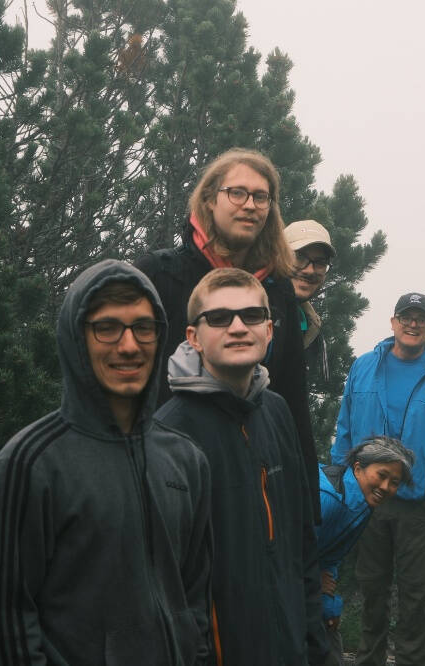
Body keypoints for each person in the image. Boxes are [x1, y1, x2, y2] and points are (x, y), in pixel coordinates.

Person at [0, 260, 212, 665]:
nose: (129, 345)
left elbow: (196, 603)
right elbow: (2, 629)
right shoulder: (30, 464)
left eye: (143, 328)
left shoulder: (186, 460)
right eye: (107, 327)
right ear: (76, 339)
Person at [135, 148, 320, 521]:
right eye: (237, 192)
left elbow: (292, 399)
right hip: (171, 475)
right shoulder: (160, 274)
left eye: (261, 196)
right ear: (209, 199)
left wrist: (306, 511)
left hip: (257, 477)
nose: (250, 205)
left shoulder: (279, 290)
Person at [154, 268, 327, 664]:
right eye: (218, 318)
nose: (237, 327)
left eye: (251, 316)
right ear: (193, 337)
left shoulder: (278, 413)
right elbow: (166, 591)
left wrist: (315, 647)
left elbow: (301, 546)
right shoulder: (168, 435)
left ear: (269, 330)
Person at [331, 292, 425, 666]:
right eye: (406, 316)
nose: (412, 323)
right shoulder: (364, 367)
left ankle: (412, 660)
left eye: (421, 318)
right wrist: (342, 481)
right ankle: (369, 659)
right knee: (372, 586)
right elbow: (345, 427)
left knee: (415, 591)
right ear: (393, 323)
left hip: (417, 505)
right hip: (367, 501)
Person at [316, 436, 415, 665]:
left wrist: (329, 606)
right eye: (381, 475)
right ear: (358, 468)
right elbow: (283, 553)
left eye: (394, 482)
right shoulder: (329, 499)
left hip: (302, 580)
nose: (385, 487)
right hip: (275, 582)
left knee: (328, 636)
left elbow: (330, 557)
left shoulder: (361, 503)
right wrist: (312, 580)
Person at [284, 219, 336, 379]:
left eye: (320, 263)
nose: (309, 270)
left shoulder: (309, 323)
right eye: (299, 257)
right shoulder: (251, 313)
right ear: (279, 256)